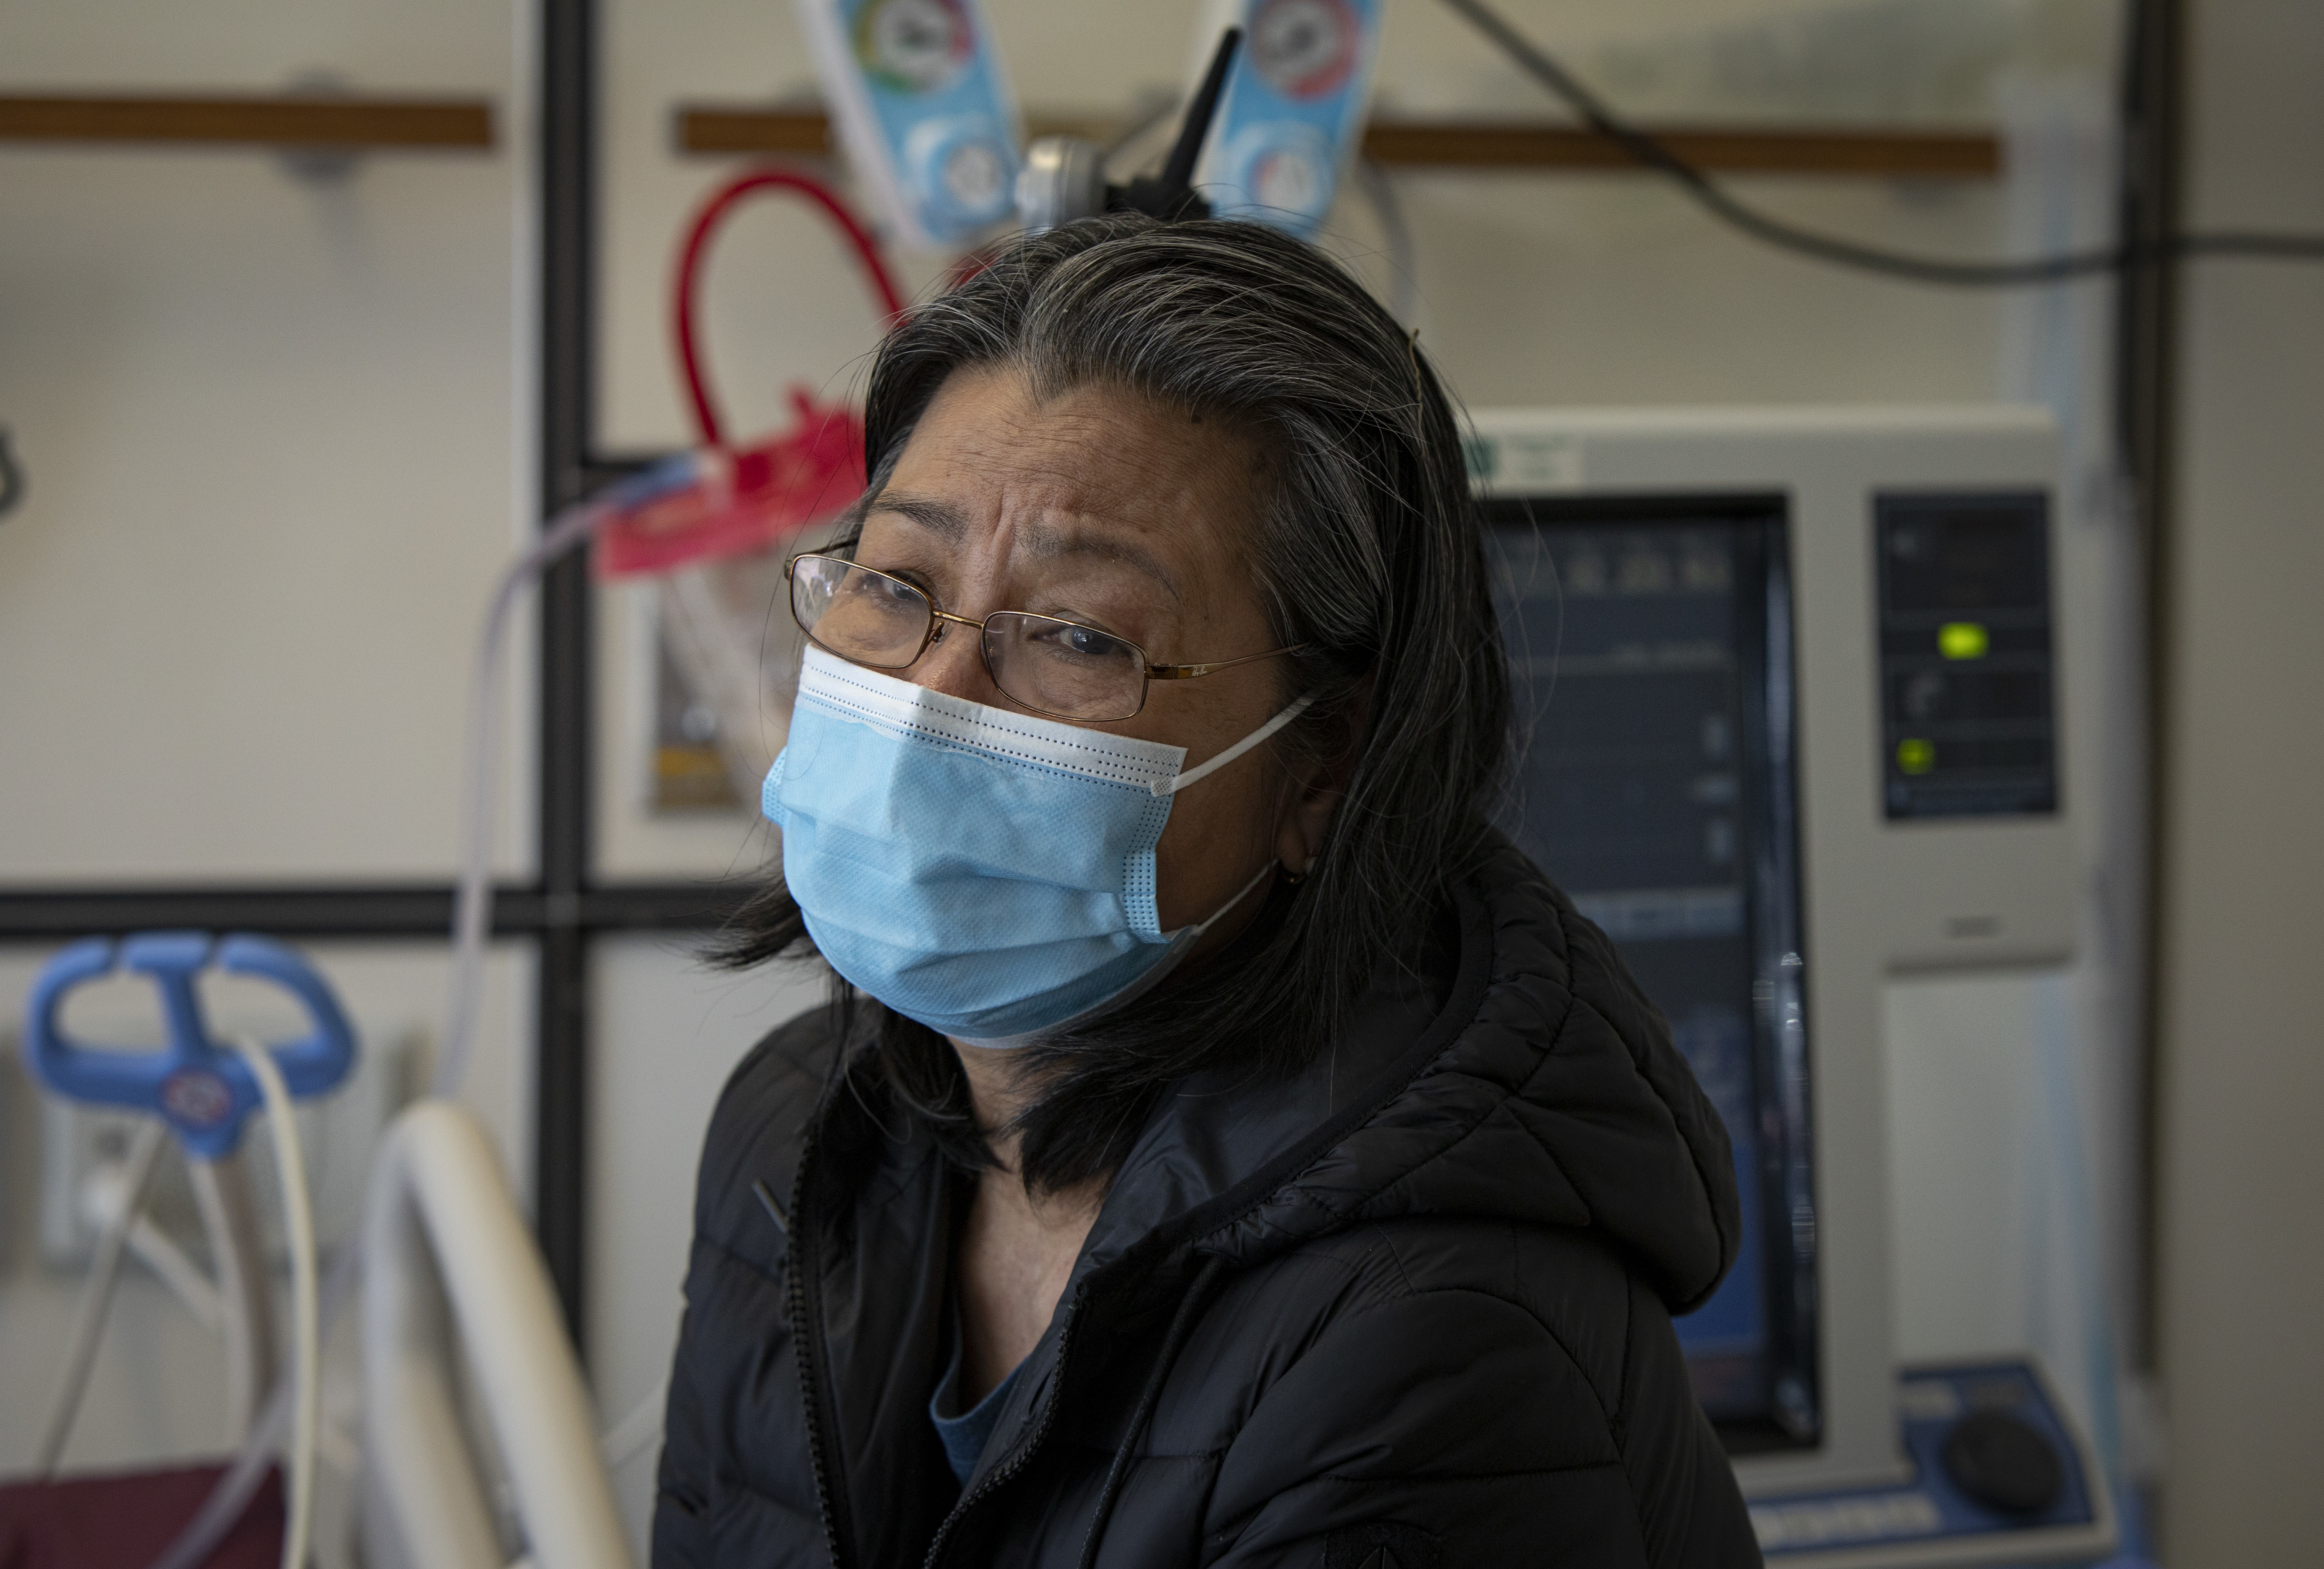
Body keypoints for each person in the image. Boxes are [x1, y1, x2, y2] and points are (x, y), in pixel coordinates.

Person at [653, 215, 1761, 1569]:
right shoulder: (799, 1138)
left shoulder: (1422, 1342)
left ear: (1321, 764)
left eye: (1077, 635)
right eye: (894, 583)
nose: (926, 696)